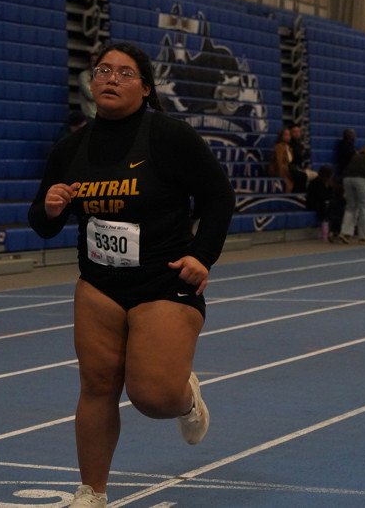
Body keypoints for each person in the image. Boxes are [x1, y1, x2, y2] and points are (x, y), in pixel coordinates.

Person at [27, 42, 235, 508]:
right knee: (97, 387)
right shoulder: (71, 147)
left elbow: (219, 196)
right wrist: (51, 207)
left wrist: (203, 255)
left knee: (153, 398)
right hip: (99, 284)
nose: (111, 79)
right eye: (103, 70)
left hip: (164, 280)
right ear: (92, 82)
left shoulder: (169, 136)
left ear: (144, 87)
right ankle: (91, 491)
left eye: (124, 73)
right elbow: (42, 222)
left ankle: (185, 398)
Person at [305, 164, 344, 241]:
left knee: (338, 208)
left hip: (325, 203)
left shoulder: (330, 184)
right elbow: (318, 197)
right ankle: (330, 232)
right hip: (315, 203)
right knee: (327, 210)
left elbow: (332, 195)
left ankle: (336, 231)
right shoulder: (315, 183)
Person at [268, 127, 294, 193]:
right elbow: (280, 163)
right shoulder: (279, 147)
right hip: (282, 172)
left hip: (289, 170)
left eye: (289, 135)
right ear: (281, 136)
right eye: (286, 135)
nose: (288, 137)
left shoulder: (289, 148)